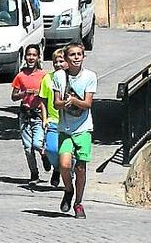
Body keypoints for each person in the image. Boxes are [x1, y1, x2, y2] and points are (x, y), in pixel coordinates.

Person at [52, 43, 97, 219]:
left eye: (79, 54)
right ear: (66, 58)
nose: (76, 57)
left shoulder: (89, 76)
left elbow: (87, 104)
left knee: (80, 168)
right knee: (64, 164)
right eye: (72, 55)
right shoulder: (59, 77)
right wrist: (65, 103)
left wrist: (74, 101)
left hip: (83, 128)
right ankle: (68, 190)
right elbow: (56, 103)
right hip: (65, 128)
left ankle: (78, 203)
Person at [11, 44, 49, 185]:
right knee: (28, 148)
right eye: (29, 55)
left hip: (39, 114)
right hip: (25, 114)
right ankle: (34, 174)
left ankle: (44, 154)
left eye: (34, 55)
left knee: (37, 144)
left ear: (38, 57)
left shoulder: (44, 76)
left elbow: (49, 95)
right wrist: (24, 93)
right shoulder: (20, 76)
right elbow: (14, 96)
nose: (31, 58)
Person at [38, 48, 67, 187]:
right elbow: (43, 100)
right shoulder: (47, 78)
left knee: (68, 152)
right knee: (51, 149)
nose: (58, 64)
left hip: (69, 122)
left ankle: (65, 174)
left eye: (61, 61)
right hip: (53, 120)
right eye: (56, 62)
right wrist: (44, 118)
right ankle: (57, 168)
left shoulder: (71, 77)